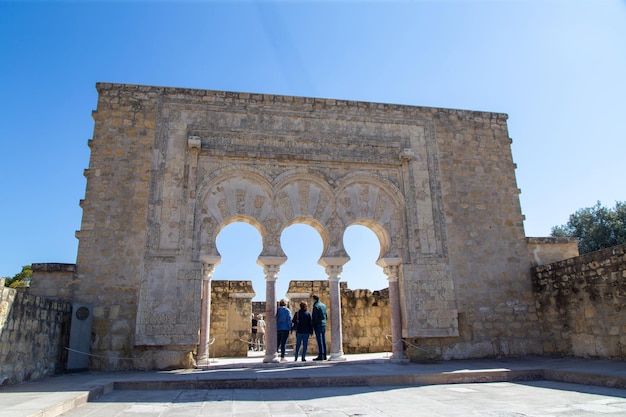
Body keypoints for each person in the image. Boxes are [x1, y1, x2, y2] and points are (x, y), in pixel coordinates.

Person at [311, 294, 328, 360]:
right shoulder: (323, 305)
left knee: (319, 340)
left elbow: (314, 317)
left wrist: (313, 325)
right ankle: (325, 355)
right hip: (323, 324)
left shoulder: (316, 306)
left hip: (318, 325)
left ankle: (321, 355)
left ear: (314, 299)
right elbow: (326, 316)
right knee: (323, 340)